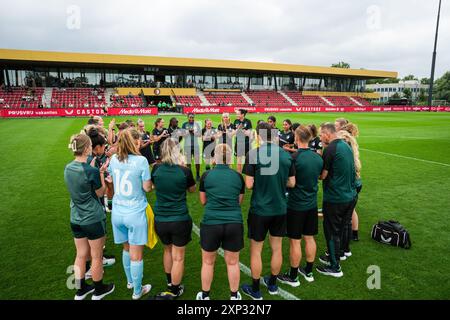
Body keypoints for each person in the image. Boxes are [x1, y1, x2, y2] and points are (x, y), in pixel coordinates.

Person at [241, 122, 296, 300]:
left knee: (256, 250)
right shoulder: (286, 155)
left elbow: (248, 184)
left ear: (259, 136)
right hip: (279, 208)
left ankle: (256, 289)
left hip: (260, 209)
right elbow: (292, 183)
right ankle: (272, 284)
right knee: (276, 248)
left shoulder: (253, 153)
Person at [64, 134, 115, 300]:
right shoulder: (91, 170)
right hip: (92, 218)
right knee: (96, 256)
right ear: (87, 148)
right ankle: (99, 289)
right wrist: (100, 173)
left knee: (80, 254)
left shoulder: (68, 167)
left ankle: (81, 289)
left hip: (75, 217)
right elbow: (100, 193)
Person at [107, 128, 153, 300]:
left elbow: (111, 181)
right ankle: (137, 291)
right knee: (137, 255)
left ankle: (130, 282)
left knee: (126, 249)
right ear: (134, 142)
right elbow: (147, 188)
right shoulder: (141, 160)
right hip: (135, 212)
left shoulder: (113, 159)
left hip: (118, 212)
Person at [196, 144, 245, 301]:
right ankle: (233, 296)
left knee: (208, 262)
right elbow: (239, 201)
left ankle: (205, 296)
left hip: (211, 223)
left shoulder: (206, 175)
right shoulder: (238, 176)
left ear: (215, 157)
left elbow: (203, 201)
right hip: (234, 223)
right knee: (233, 263)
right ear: (230, 157)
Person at [150, 138, 196, 299]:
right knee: (178, 256)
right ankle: (175, 289)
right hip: (179, 218)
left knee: (167, 250)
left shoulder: (156, 169)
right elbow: (192, 190)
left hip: (161, 219)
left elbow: (153, 186)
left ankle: (170, 283)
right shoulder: (184, 171)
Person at [278, 126, 323, 286]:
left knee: (295, 241)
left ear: (297, 139)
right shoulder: (318, 158)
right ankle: (308, 271)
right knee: (309, 238)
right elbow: (320, 176)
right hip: (311, 204)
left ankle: (293, 276)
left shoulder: (294, 158)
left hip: (296, 205)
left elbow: (289, 182)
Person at [317, 123, 357, 278]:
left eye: (321, 135)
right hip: (350, 195)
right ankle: (337, 254)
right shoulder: (346, 145)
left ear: (327, 134)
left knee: (331, 231)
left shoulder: (331, 149)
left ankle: (335, 267)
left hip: (336, 198)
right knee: (340, 229)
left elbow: (323, 175)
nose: (320, 138)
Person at [338, 130, 362, 243]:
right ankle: (353, 236)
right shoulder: (353, 153)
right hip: (355, 185)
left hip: (350, 187)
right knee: (350, 212)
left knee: (347, 215)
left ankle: (344, 245)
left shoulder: (345, 154)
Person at [181, 113, 202, 181]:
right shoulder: (184, 124)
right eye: (190, 117)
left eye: (192, 117)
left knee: (197, 161)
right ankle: (189, 175)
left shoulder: (196, 124)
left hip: (195, 145)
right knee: (188, 162)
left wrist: (194, 132)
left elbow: (199, 135)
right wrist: (187, 132)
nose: (191, 119)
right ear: (188, 117)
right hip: (187, 146)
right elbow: (182, 134)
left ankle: (198, 175)